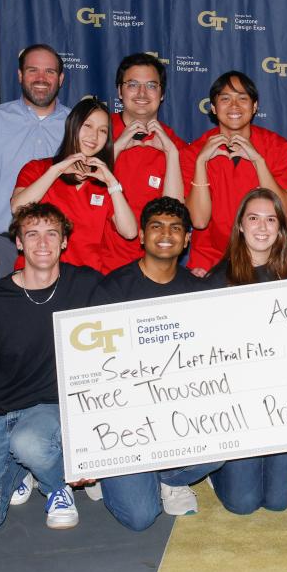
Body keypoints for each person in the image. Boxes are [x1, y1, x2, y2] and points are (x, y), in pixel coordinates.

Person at [0, 203, 101, 538]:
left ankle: (55, 484)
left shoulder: (88, 286)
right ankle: (22, 470)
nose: (42, 243)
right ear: (18, 242)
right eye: (32, 234)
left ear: (64, 242)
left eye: (52, 234)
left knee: (29, 441)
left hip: (51, 411)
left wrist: (88, 456)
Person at [92, 197, 222, 530]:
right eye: (157, 226)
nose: (166, 234)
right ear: (141, 235)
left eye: (176, 228)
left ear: (187, 239)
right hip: (126, 417)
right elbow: (93, 368)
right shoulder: (112, 290)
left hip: (179, 409)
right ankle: (119, 473)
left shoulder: (198, 289)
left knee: (224, 440)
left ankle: (171, 477)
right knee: (140, 517)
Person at [202, 189, 287, 513]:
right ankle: (214, 470)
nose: (262, 227)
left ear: (281, 228)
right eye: (254, 218)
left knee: (279, 501)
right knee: (242, 503)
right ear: (241, 226)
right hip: (236, 403)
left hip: (283, 401)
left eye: (271, 219)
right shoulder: (219, 280)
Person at [0, 44, 70, 287]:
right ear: (20, 75)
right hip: (4, 247)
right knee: (5, 323)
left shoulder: (77, 126)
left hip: (63, 250)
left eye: (50, 72)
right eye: (33, 71)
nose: (41, 79)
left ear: (61, 78)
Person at [183, 71, 287, 274]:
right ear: (213, 108)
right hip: (209, 264)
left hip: (267, 260)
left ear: (254, 107)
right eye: (225, 99)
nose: (234, 106)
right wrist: (201, 162)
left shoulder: (278, 147)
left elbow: (286, 213)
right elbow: (198, 221)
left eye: (242, 98)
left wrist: (258, 161)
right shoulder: (193, 153)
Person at [11, 97, 137, 273]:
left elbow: (130, 232)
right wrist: (57, 170)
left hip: (85, 279)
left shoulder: (103, 182)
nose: (94, 136)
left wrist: (112, 182)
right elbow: (18, 208)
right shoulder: (38, 169)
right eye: (88, 126)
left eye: (102, 131)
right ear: (73, 126)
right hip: (37, 274)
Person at [109, 52, 186, 267]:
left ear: (161, 93)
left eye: (151, 85)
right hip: (96, 266)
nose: (142, 93)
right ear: (119, 91)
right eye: (132, 84)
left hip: (155, 267)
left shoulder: (175, 146)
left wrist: (171, 154)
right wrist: (115, 147)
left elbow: (175, 213)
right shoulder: (94, 133)